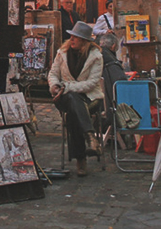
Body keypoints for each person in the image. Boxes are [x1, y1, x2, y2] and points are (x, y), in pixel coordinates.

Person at [48, 21, 104, 177]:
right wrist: (54, 86)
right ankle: (90, 137)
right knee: (72, 100)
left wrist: (68, 87)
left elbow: (92, 83)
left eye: (76, 37)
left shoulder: (96, 57)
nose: (72, 39)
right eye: (71, 36)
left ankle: (81, 158)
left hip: (89, 97)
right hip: (64, 97)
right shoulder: (62, 53)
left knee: (73, 110)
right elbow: (53, 74)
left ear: (84, 41)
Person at [98, 32, 125, 130]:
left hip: (97, 103)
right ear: (113, 46)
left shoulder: (98, 57)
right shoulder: (111, 62)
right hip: (109, 108)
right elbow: (121, 85)